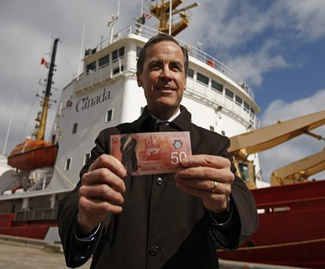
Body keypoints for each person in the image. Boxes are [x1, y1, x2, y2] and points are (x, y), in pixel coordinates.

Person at [58, 34, 258, 268]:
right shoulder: (110, 141)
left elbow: (244, 219)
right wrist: (85, 219)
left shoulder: (214, 145)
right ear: (140, 78)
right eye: (155, 66)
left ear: (184, 79)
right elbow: (75, 202)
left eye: (175, 67)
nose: (166, 74)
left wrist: (223, 207)